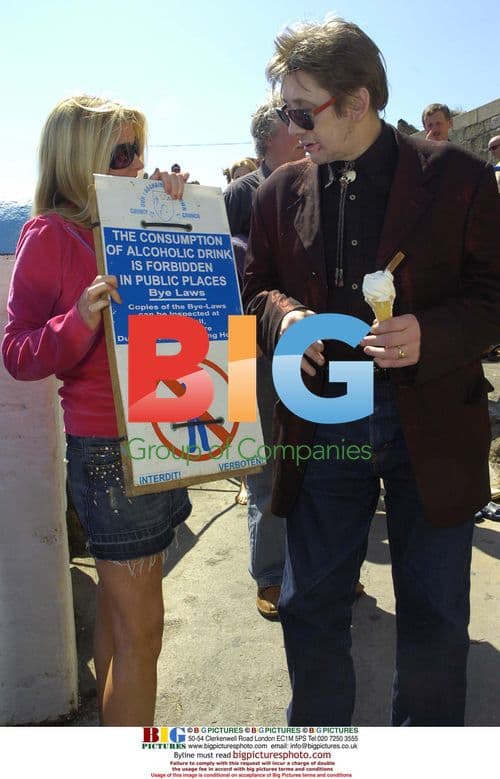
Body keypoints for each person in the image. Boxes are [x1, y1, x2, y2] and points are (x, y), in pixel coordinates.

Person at [243, 18, 500, 725]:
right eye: (287, 113)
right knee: (308, 600)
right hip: (324, 407)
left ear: (357, 100)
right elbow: (255, 284)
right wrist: (286, 317)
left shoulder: (463, 179)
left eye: (304, 110)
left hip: (432, 411)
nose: (294, 128)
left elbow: (493, 294)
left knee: (436, 612)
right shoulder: (276, 192)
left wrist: (436, 332)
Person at [2, 95, 191, 726]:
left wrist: (181, 210)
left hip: (166, 425)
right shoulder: (50, 234)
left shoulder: (132, 219)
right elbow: (18, 351)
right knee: (144, 635)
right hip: (112, 449)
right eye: (121, 152)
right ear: (78, 157)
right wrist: (77, 320)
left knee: (121, 620)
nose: (136, 164)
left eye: (139, 149)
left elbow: (211, 282)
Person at [225, 97, 306, 619]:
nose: (303, 130)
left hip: (313, 344)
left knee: (322, 462)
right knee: (266, 469)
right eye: (292, 124)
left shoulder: (321, 181)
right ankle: (271, 575)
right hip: (247, 348)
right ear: (266, 140)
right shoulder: (240, 195)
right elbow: (227, 279)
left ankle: (318, 570)